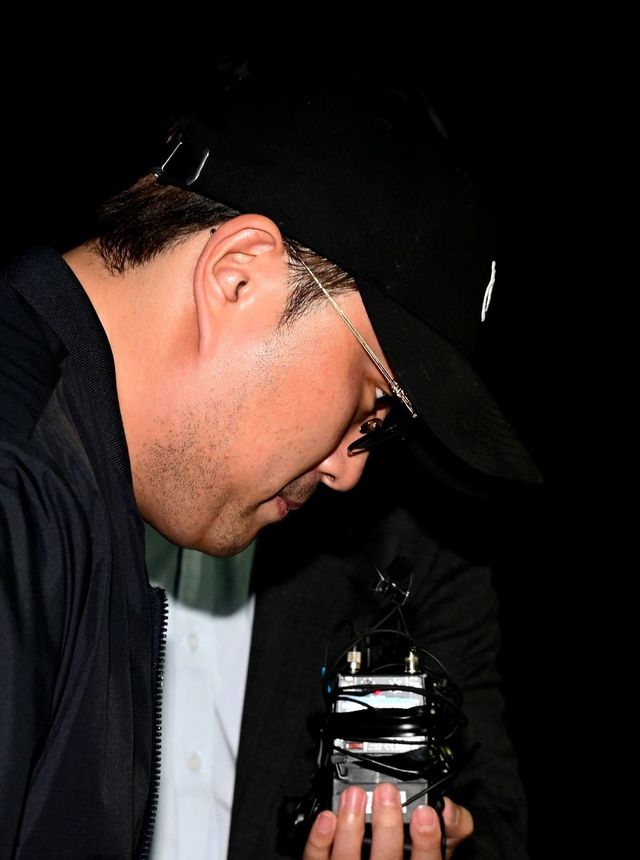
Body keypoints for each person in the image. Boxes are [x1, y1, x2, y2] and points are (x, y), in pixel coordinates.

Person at [0, 68, 541, 859]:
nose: (349, 472)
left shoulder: (75, 481)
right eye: (372, 400)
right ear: (239, 276)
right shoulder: (21, 486)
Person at [146, 445, 530, 860]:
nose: (347, 471)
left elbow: (494, 817)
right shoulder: (92, 503)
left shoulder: (417, 539)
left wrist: (448, 847)